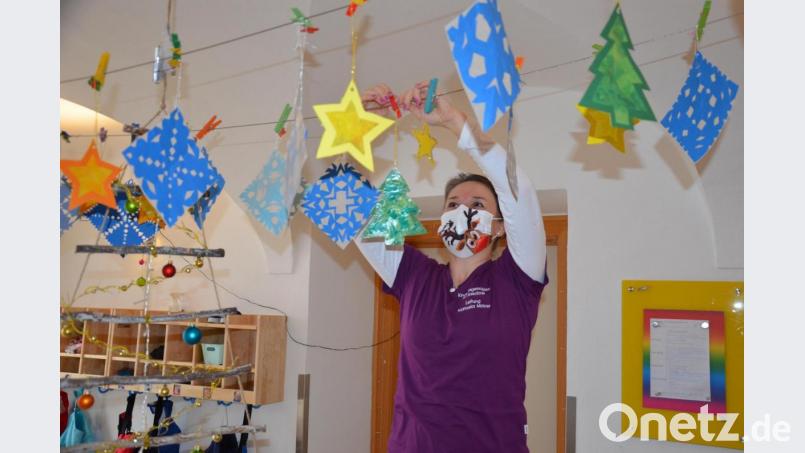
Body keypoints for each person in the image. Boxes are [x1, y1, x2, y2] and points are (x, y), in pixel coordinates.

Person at [356, 81, 549, 453]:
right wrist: (356, 130)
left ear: (498, 227)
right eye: (452, 204)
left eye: (477, 203)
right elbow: (350, 213)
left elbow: (518, 193)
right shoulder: (414, 275)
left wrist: (457, 123)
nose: (463, 211)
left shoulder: (516, 278)